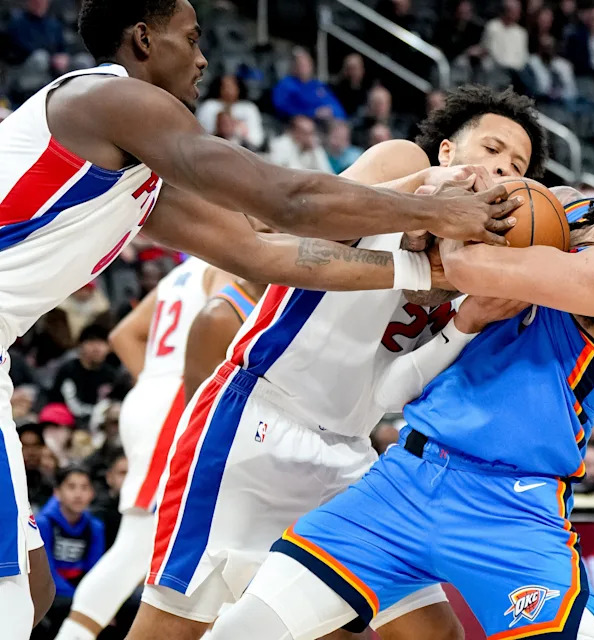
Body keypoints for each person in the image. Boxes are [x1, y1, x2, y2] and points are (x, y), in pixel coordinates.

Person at [0, 0, 520, 631]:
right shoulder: (111, 98)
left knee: (29, 585)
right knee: (15, 596)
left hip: (338, 441)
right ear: (142, 39)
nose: (203, 57)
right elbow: (288, 200)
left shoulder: (134, 176)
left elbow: (258, 250)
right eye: (190, 39)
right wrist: (431, 211)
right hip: (258, 419)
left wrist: (421, 272)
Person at [209, 124, 594, 640]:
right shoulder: (562, 205)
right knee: (245, 629)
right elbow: (443, 262)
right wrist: (438, 208)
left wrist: (447, 208)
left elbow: (471, 269)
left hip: (510, 505)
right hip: (407, 476)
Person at [130, 85, 549, 640]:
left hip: (349, 455)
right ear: (447, 151)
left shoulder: (480, 272)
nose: (500, 169)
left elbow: (392, 393)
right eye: (491, 150)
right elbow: (301, 222)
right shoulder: (406, 162)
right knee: (168, 630)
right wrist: (419, 200)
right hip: (256, 423)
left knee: (433, 633)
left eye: (515, 166)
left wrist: (464, 324)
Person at [52, 258, 232, 640]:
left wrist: (153, 381)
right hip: (178, 400)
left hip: (155, 395)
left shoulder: (182, 271)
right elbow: (225, 335)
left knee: (194, 537)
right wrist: (169, 389)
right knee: (140, 540)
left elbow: (124, 334)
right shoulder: (228, 263)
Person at [34, 467, 105, 638]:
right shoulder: (43, 523)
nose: (78, 494)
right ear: (57, 492)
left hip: (78, 587)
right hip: (49, 589)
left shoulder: (95, 526)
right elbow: (46, 573)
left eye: (84, 487)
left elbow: (94, 571)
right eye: (71, 487)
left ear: (92, 493)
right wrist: (79, 601)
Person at [49, 325, 118, 428]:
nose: (97, 348)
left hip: (101, 425)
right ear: (80, 345)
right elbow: (70, 406)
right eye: (91, 342)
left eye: (102, 343)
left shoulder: (111, 374)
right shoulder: (69, 370)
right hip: (68, 423)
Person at [272, 47, 346, 122]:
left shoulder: (318, 85)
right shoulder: (286, 84)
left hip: (326, 122)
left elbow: (335, 106)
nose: (303, 68)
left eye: (306, 65)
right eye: (300, 65)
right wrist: (313, 113)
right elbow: (282, 108)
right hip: (299, 122)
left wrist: (334, 113)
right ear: (294, 67)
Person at [194, 74, 264, 150]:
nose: (228, 90)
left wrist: (239, 132)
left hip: (245, 150)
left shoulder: (249, 108)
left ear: (239, 88)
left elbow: (257, 139)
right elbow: (200, 134)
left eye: (232, 86)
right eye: (224, 86)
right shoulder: (209, 106)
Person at [268, 116, 334, 173]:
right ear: (295, 133)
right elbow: (284, 172)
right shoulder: (280, 144)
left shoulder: (314, 146)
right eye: (306, 133)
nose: (311, 137)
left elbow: (327, 171)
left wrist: (315, 152)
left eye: (312, 133)